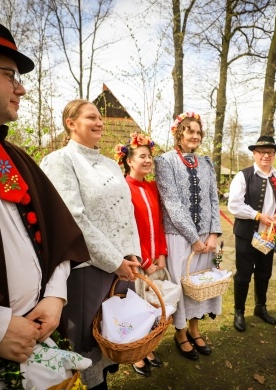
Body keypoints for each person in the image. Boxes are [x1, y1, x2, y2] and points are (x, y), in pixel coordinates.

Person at [0, 12, 90, 389]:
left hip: (33, 331)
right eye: (9, 75)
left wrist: (55, 296)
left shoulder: (13, 156)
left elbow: (57, 230)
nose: (20, 89)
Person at [40, 99, 141, 389]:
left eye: (100, 118)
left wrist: (131, 254)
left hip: (123, 267)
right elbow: (74, 218)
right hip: (88, 269)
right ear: (71, 124)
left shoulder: (110, 163)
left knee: (114, 334)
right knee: (86, 342)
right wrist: (114, 261)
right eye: (91, 117)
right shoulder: (60, 161)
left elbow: (127, 209)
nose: (99, 122)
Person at [154, 111, 222, 361]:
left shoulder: (206, 163)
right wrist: (194, 238)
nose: (194, 136)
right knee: (183, 285)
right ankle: (181, 333)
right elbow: (171, 202)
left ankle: (196, 329)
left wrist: (213, 233)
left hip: (206, 235)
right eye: (189, 131)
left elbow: (214, 199)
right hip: (179, 236)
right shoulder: (165, 161)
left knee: (201, 285)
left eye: (198, 132)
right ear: (178, 133)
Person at [114, 132, 167, 376]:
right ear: (129, 160)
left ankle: (148, 346)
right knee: (136, 307)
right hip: (137, 261)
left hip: (157, 260)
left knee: (153, 307)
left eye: (149, 156)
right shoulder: (123, 188)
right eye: (142, 156)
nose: (147, 160)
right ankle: (137, 353)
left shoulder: (152, 187)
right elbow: (127, 228)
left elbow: (159, 223)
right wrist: (144, 259)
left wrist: (162, 254)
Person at [228, 135, 276, 332]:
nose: (266, 155)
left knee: (264, 273)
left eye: (270, 152)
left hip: (269, 235)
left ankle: (260, 307)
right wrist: (257, 216)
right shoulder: (244, 175)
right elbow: (234, 205)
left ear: (274, 155)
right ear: (254, 154)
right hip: (246, 234)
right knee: (243, 275)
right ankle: (239, 311)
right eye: (261, 152)